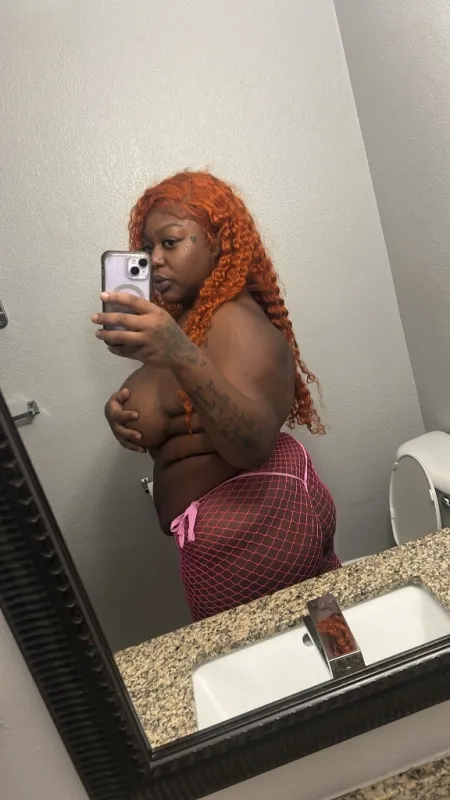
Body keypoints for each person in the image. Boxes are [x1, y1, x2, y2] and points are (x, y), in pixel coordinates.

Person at [92, 171, 340, 621]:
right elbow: (182, 416)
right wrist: (122, 413)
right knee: (301, 652)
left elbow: (252, 444)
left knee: (288, 657)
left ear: (218, 244)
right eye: (148, 247)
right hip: (222, 547)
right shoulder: (186, 324)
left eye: (171, 243)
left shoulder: (236, 320)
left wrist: (178, 352)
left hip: (260, 531)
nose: (155, 259)